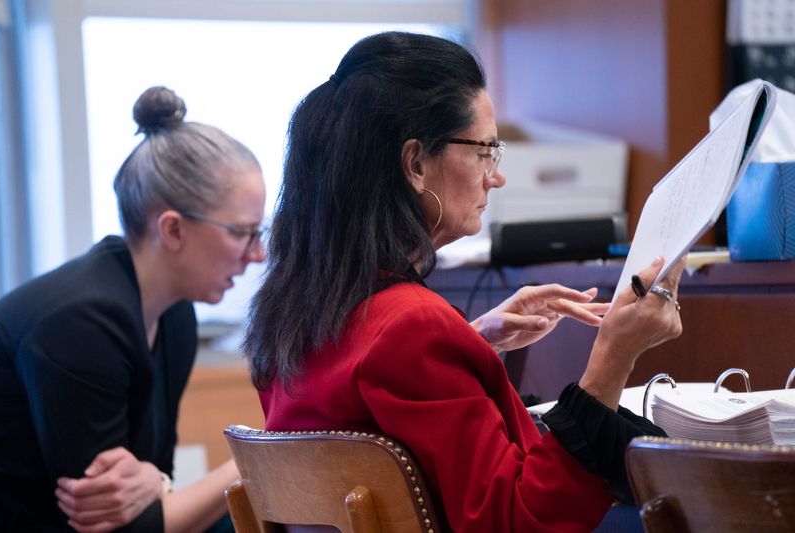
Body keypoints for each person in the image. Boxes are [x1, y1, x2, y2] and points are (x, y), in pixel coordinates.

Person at [244, 31, 684, 532]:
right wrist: (614, 355)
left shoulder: (293, 309)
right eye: (485, 150)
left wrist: (468, 343)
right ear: (414, 163)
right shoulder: (412, 327)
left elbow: (366, 397)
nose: (495, 177)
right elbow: (517, 523)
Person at [0, 86, 265, 532]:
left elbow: (151, 487)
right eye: (242, 233)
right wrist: (252, 457)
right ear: (173, 229)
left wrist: (156, 480)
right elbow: (117, 524)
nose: (257, 254)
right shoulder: (80, 322)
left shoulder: (175, 315)